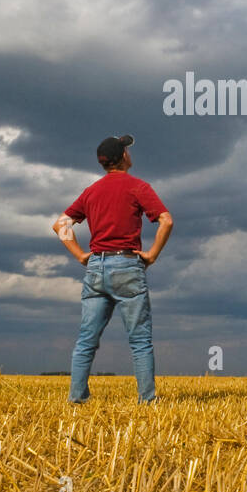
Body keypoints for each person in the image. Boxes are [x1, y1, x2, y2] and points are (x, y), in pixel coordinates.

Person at [52, 134, 173, 405]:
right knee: (140, 341)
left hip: (95, 266)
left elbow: (60, 225)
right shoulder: (138, 187)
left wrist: (81, 255)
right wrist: (152, 254)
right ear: (124, 157)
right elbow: (166, 221)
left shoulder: (91, 191)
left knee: (86, 340)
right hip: (128, 265)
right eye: (127, 150)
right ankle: (147, 401)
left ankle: (76, 399)